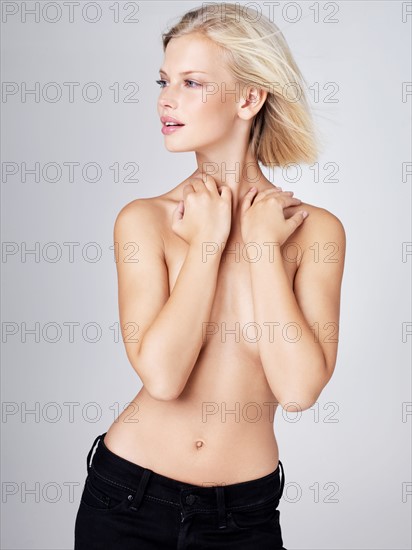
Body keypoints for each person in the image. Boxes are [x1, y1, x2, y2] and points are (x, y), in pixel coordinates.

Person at [74, 3, 346, 548]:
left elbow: (296, 390)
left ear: (250, 97)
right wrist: (207, 243)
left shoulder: (314, 232)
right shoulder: (144, 221)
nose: (166, 99)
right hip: (127, 500)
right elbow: (163, 377)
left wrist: (263, 248)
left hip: (243, 518)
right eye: (164, 80)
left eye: (192, 82)